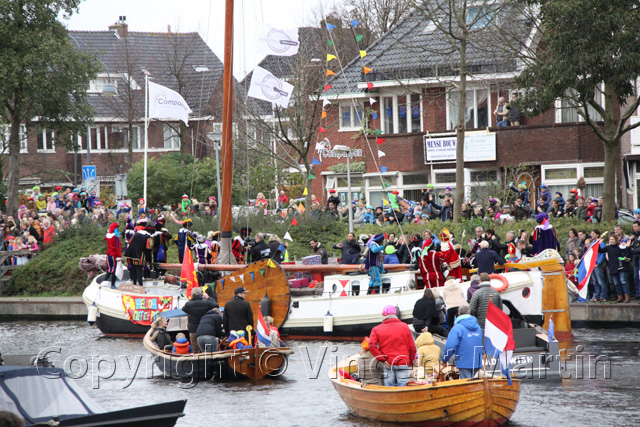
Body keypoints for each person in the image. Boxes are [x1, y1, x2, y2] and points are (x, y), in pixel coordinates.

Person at [368, 305, 416, 387]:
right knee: (402, 387)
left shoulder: (377, 329)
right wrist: (411, 361)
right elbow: (412, 347)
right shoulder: (405, 326)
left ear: (383, 315)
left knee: (389, 387)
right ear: (395, 314)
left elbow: (371, 345)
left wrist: (382, 359)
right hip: (402, 361)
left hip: (388, 362)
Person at [441, 305, 483, 379]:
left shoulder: (457, 328)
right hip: (477, 362)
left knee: (467, 387)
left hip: (464, 363)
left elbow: (450, 346)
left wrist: (445, 359)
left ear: (459, 314)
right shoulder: (478, 327)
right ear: (469, 312)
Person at [182, 287, 217, 353]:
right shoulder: (206, 303)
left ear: (192, 295)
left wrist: (191, 300)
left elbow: (183, 309)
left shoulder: (188, 304)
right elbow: (216, 305)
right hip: (205, 329)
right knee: (208, 351)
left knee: (196, 350)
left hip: (193, 330)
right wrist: (208, 297)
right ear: (201, 294)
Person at [598, 235, 629, 303]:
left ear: (616, 240)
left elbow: (626, 252)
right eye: (610, 239)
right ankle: (619, 296)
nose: (611, 240)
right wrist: (598, 243)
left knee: (623, 281)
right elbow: (600, 250)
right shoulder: (608, 247)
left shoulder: (619, 246)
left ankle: (626, 296)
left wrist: (625, 257)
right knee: (616, 283)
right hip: (612, 267)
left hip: (620, 266)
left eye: (613, 239)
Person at [123, 221, 153, 287]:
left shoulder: (135, 234)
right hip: (140, 255)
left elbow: (130, 242)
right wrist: (148, 260)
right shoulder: (147, 236)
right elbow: (148, 248)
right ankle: (140, 286)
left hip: (131, 255)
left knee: (134, 270)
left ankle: (134, 285)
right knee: (139, 271)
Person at [104, 222, 122, 289]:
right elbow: (117, 247)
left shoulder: (108, 236)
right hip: (114, 255)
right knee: (114, 270)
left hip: (108, 254)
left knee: (109, 269)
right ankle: (113, 285)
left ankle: (104, 282)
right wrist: (119, 256)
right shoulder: (115, 237)